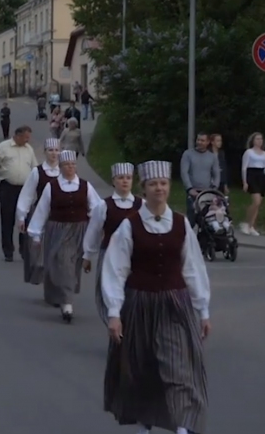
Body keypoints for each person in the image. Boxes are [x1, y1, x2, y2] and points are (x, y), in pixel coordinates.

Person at [101, 160, 211, 434]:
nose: (158, 189)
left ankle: (185, 425)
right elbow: (116, 270)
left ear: (169, 187)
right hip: (140, 303)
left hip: (175, 304)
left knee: (179, 367)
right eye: (153, 184)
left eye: (163, 184)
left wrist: (203, 309)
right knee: (143, 367)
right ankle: (146, 421)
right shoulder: (130, 226)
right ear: (144, 189)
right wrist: (114, 313)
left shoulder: (181, 224)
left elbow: (193, 268)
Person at [27, 150, 101, 323]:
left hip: (80, 230)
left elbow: (97, 207)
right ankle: (67, 304)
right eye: (67, 165)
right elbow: (42, 210)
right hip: (58, 230)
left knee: (72, 266)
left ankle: (62, 294)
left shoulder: (85, 186)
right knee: (63, 262)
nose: (71, 168)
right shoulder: (52, 187)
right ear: (61, 167)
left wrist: (99, 225)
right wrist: (36, 234)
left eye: (73, 165)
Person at [81, 163, 141, 327]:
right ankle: (113, 322)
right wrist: (87, 255)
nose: (125, 181)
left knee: (131, 293)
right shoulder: (104, 206)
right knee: (107, 291)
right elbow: (94, 230)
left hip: (134, 257)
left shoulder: (140, 205)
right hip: (108, 255)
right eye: (121, 178)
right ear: (114, 181)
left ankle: (129, 325)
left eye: (128, 178)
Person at [0, 126, 39, 262]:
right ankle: (8, 250)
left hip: (25, 189)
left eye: (29, 137)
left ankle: (24, 247)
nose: (28, 140)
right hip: (8, 187)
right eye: (26, 137)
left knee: (26, 219)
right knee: (7, 219)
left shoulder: (29, 149)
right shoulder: (4, 147)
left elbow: (35, 169)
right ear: (18, 135)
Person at [13, 137, 59, 279]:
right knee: (38, 245)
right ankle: (39, 270)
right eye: (50, 150)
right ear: (45, 152)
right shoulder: (37, 172)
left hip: (59, 213)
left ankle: (54, 273)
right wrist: (22, 216)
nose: (54, 153)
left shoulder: (64, 172)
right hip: (40, 212)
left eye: (57, 150)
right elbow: (27, 194)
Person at [240, 132, 265, 236]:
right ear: (253, 141)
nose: (259, 141)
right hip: (252, 175)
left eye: (261, 139)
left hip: (261, 176)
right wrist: (245, 182)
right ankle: (246, 223)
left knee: (259, 203)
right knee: (256, 201)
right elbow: (244, 167)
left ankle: (251, 225)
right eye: (257, 139)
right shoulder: (249, 152)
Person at [179, 133, 219, 224]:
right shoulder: (188, 154)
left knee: (207, 219)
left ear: (208, 142)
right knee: (192, 218)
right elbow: (184, 172)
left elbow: (216, 173)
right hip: (193, 191)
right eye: (198, 140)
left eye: (202, 140)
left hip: (206, 192)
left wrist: (214, 187)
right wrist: (189, 188)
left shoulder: (212, 157)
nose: (199, 142)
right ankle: (188, 236)